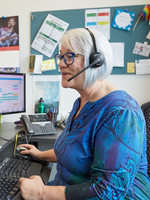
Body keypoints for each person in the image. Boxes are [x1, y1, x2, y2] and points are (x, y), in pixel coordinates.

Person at [18, 28, 150, 200]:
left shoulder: (120, 113)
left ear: (96, 61)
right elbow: (74, 150)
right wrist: (39, 154)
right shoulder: (81, 102)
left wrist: (41, 193)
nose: (61, 64)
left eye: (69, 56)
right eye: (61, 57)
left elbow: (108, 191)